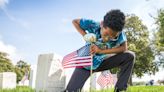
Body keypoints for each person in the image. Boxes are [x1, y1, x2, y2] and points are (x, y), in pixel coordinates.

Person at [64, 9, 135, 92]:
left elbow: (123, 48)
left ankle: (120, 89)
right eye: (106, 34)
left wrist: (100, 51)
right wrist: (86, 35)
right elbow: (75, 22)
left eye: (113, 37)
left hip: (103, 61)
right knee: (71, 91)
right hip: (86, 63)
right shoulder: (93, 24)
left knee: (130, 56)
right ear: (101, 24)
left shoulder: (120, 33)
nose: (107, 38)